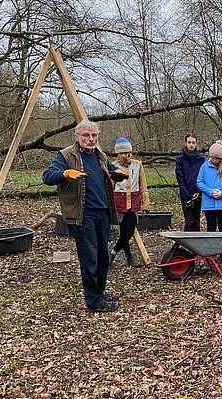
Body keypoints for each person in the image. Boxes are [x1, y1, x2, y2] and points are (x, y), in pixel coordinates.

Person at [42, 120, 129, 312]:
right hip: (83, 215)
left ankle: (99, 293)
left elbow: (110, 170)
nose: (91, 139)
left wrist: (117, 173)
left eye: (94, 136)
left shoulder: (100, 156)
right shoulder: (66, 155)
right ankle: (93, 301)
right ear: (77, 137)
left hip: (103, 213)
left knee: (102, 257)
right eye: (86, 135)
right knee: (89, 258)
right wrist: (65, 173)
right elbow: (47, 176)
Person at [109, 137, 150, 268]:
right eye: (120, 153)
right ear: (117, 153)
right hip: (119, 202)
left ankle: (112, 253)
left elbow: (143, 185)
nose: (123, 155)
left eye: (125, 152)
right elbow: (110, 186)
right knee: (123, 232)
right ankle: (129, 257)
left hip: (133, 202)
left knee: (129, 231)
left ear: (129, 152)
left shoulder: (138, 165)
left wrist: (145, 203)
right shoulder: (113, 166)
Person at [196, 142, 222, 232]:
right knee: (211, 227)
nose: (215, 160)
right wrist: (210, 192)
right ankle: (211, 246)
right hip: (209, 204)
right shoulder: (204, 167)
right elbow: (199, 182)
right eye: (213, 158)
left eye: (217, 158)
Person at [175, 133, 205, 231]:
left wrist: (199, 191)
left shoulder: (201, 159)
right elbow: (180, 178)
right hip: (186, 193)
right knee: (189, 220)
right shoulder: (180, 159)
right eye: (189, 142)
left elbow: (203, 176)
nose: (191, 145)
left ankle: (196, 243)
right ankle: (186, 243)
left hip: (198, 193)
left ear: (196, 143)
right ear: (186, 143)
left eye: (193, 142)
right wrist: (186, 195)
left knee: (197, 220)